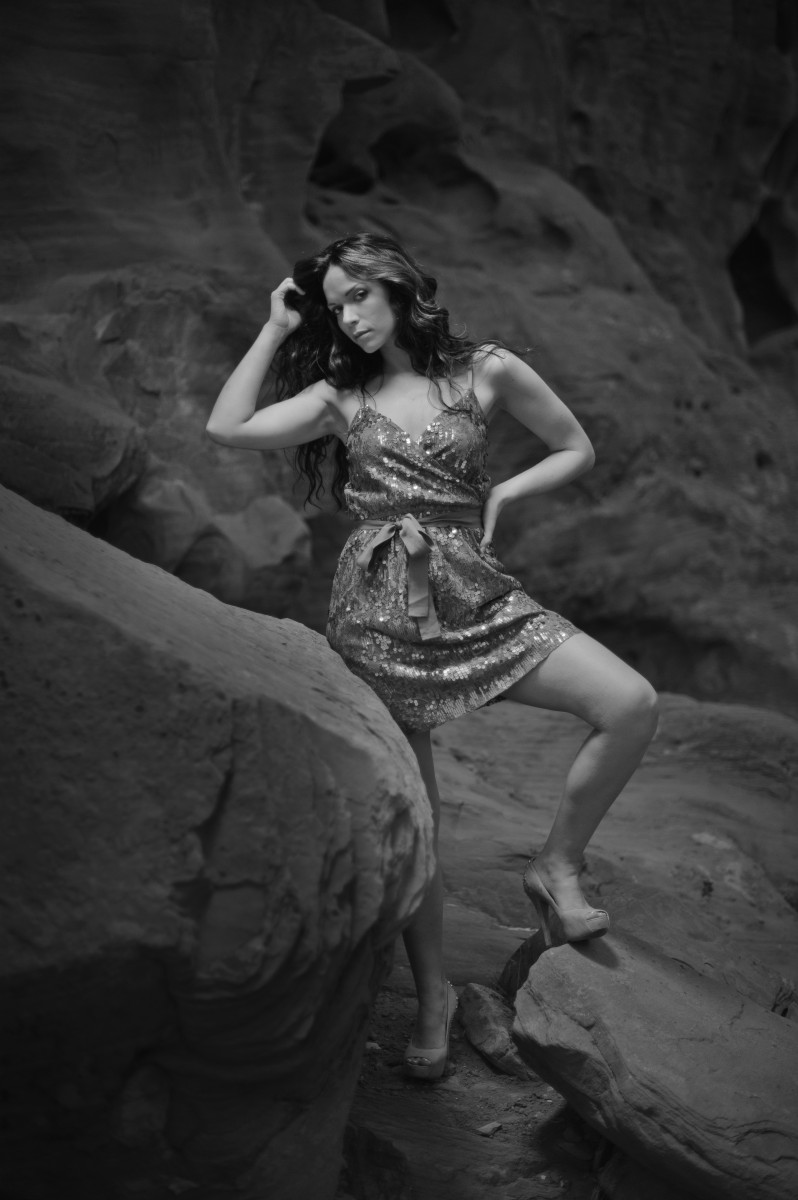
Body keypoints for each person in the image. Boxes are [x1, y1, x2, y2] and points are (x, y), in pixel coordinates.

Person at [206, 233, 658, 1081]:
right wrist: (274, 329)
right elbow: (226, 427)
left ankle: (556, 867)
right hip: (377, 614)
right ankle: (432, 999)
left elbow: (575, 446)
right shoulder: (342, 396)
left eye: (356, 298)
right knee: (424, 822)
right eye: (333, 305)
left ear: (398, 289)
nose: (346, 317)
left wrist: (506, 489)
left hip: (475, 591)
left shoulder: (484, 370)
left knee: (630, 703)